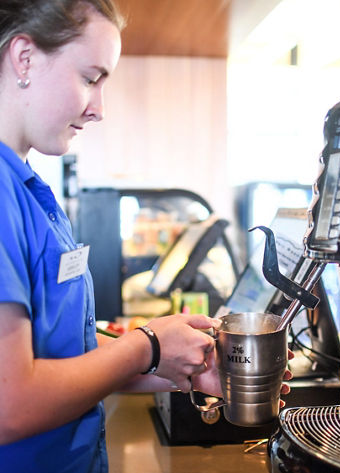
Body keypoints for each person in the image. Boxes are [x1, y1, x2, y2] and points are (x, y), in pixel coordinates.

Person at [0, 1, 293, 472]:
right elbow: (10, 405)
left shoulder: (29, 190)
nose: (98, 109)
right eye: (90, 78)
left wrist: (178, 369)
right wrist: (147, 344)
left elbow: (64, 354)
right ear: (25, 58)